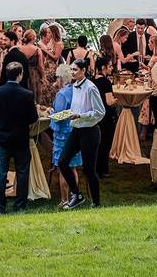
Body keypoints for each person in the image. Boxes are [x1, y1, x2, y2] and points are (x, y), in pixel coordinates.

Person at [0, 62, 38, 214]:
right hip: (20, 139)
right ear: (20, 75)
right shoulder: (27, 94)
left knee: (0, 174)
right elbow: (33, 118)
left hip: (1, 138)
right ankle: (20, 205)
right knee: (22, 172)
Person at [58, 58, 105, 209]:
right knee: (62, 162)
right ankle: (77, 194)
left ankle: (96, 202)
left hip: (90, 131)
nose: (72, 72)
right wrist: (66, 114)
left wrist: (80, 116)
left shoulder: (91, 88)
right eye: (71, 70)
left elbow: (100, 112)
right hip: (76, 129)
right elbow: (77, 108)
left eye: (75, 70)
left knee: (89, 169)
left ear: (83, 71)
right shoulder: (74, 86)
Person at [50, 64, 82, 206]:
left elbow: (59, 116)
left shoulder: (62, 94)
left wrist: (51, 112)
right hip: (75, 131)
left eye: (57, 77)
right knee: (73, 167)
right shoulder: (77, 91)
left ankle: (64, 200)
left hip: (63, 134)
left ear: (61, 78)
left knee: (62, 168)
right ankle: (75, 197)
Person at [92, 55, 117, 179]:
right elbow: (109, 102)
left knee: (96, 143)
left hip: (95, 116)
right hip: (106, 116)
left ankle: (94, 168)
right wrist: (117, 99)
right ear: (103, 67)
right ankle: (103, 170)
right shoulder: (106, 82)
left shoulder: (91, 80)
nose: (111, 68)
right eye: (110, 66)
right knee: (105, 144)